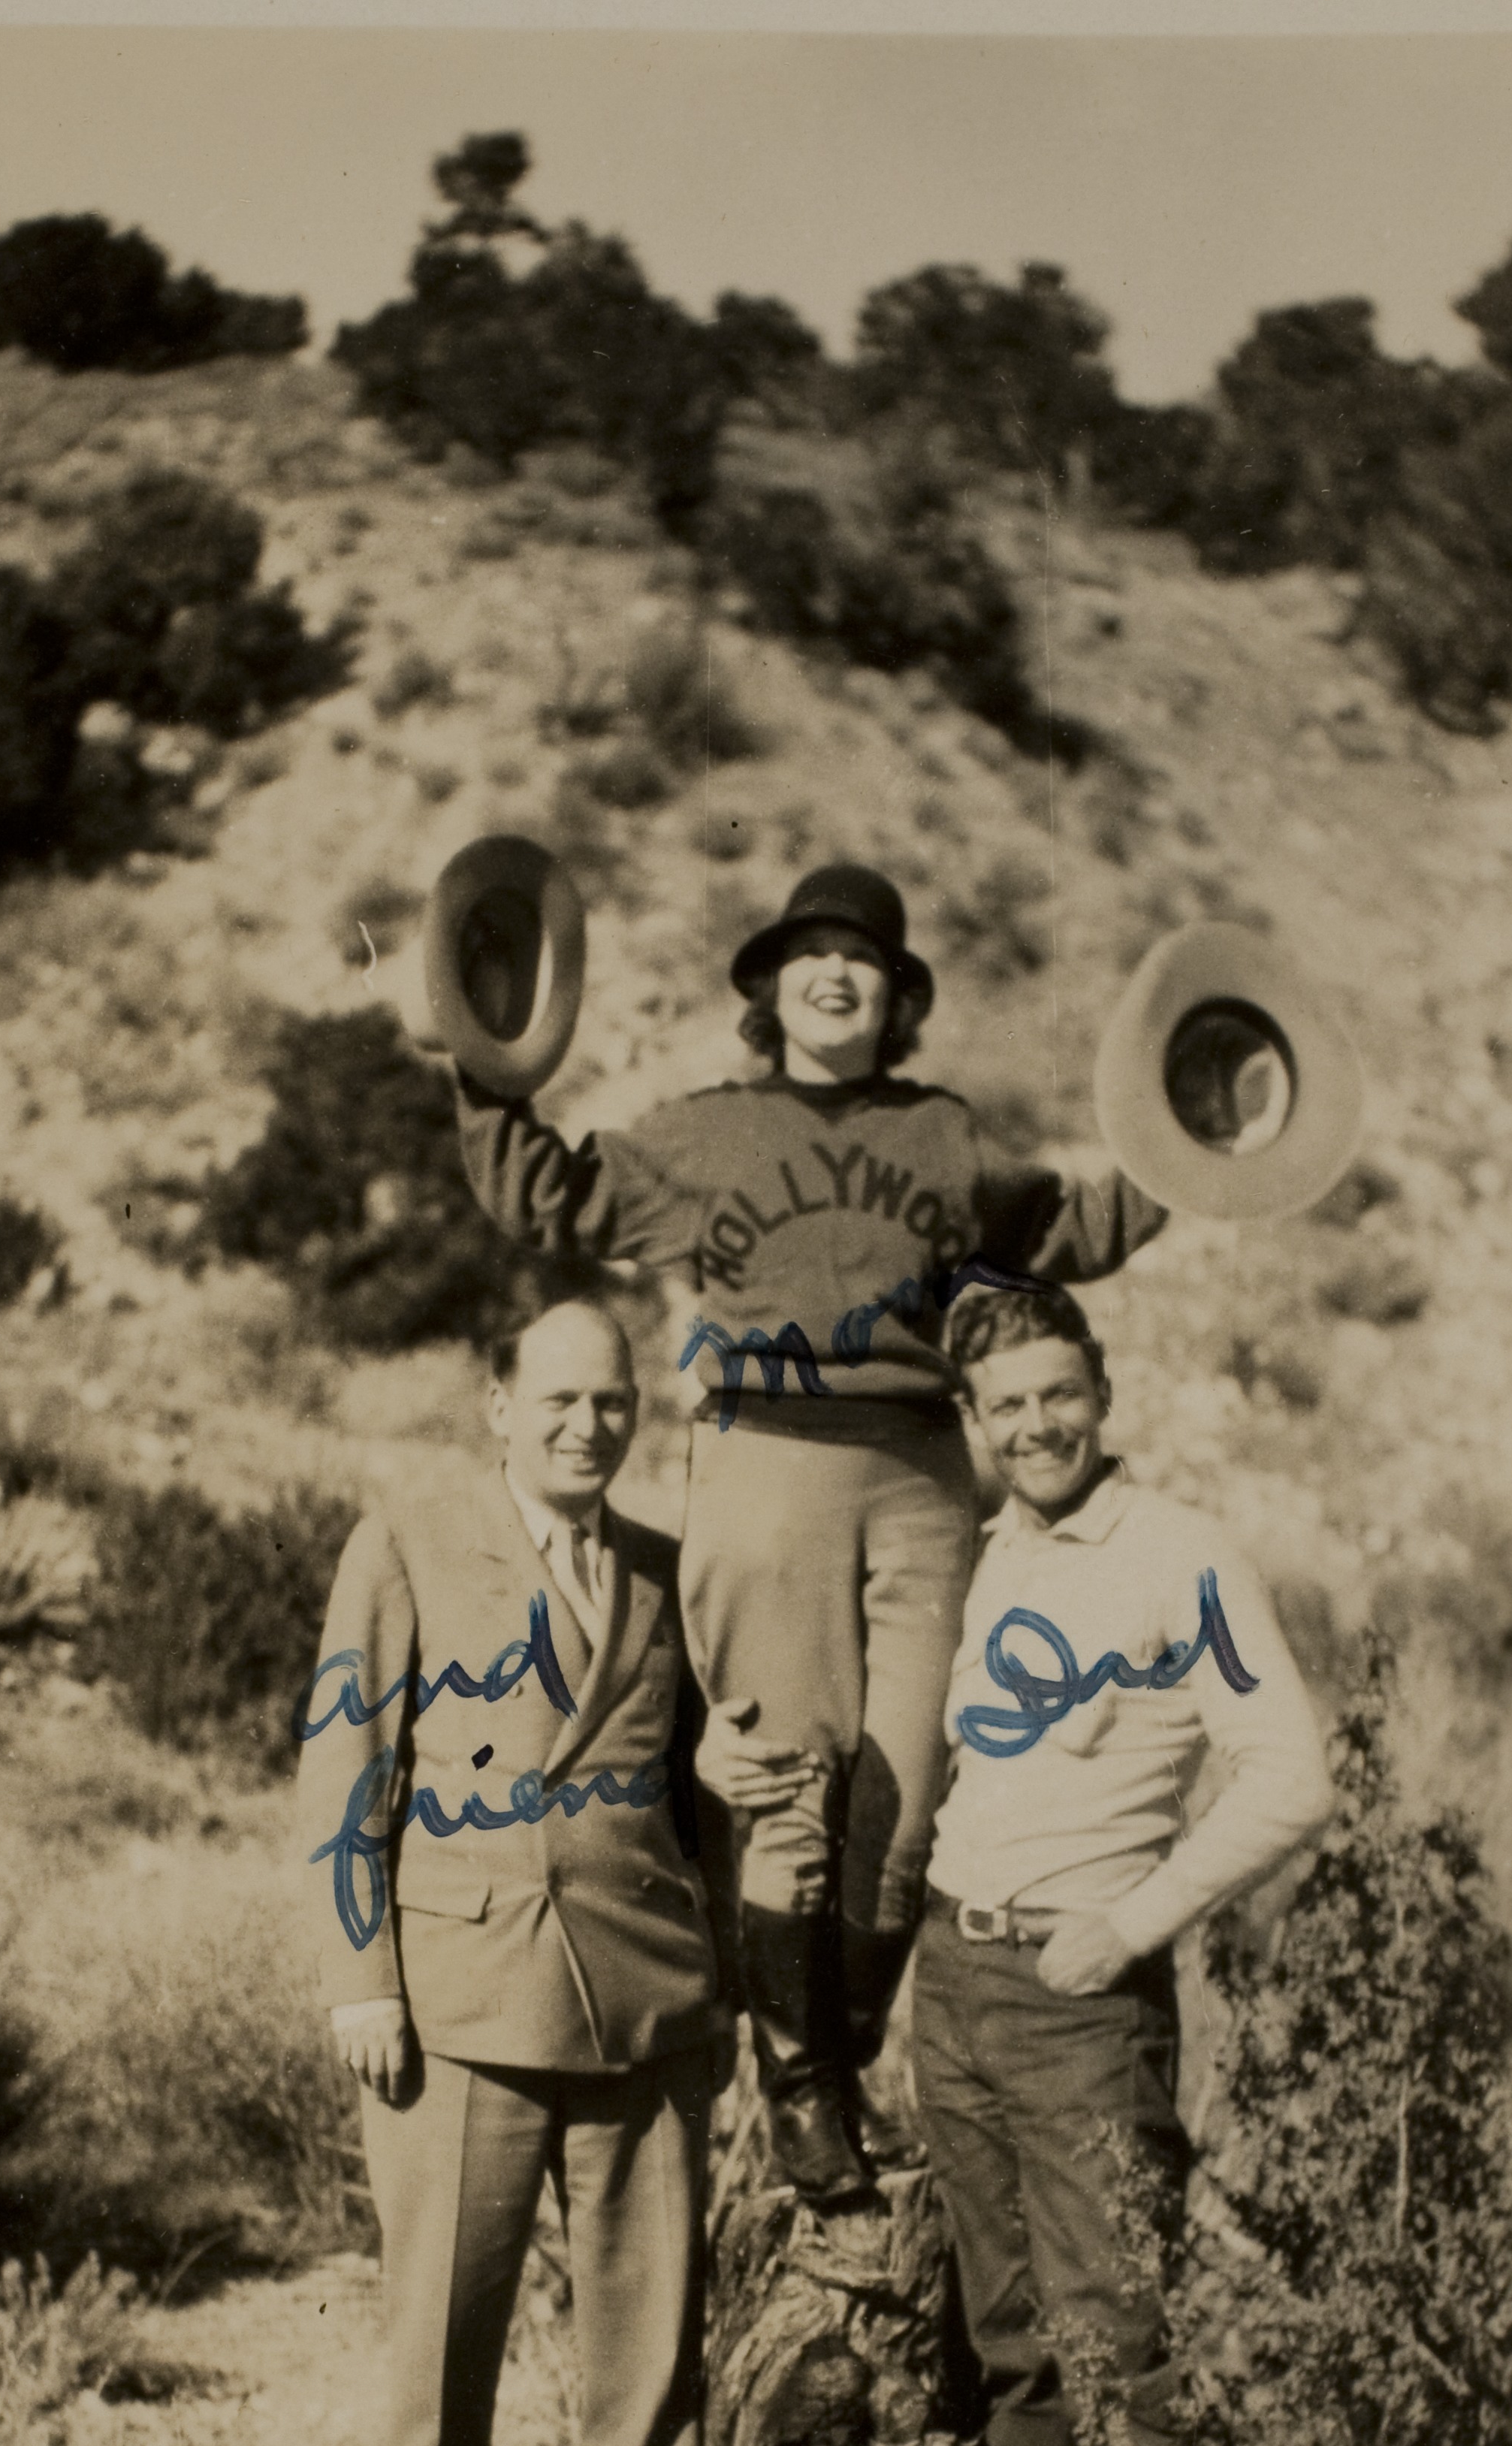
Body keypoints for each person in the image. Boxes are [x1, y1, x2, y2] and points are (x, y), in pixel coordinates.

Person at [453, 861, 1167, 2212]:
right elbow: (547, 1193)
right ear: (772, 987)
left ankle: (835, 2063)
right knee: (783, 1785)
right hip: (765, 1461)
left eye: (867, 962)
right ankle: (799, 2091)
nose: (838, 976)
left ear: (898, 1000)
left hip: (918, 1473)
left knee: (905, 1804)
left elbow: (1069, 1228)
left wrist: (1186, 1154)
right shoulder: (703, 1134)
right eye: (812, 955)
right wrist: (481, 1063)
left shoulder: (944, 1137)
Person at [297, 1285, 731, 2446]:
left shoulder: (666, 1572)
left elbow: (695, 1801)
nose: (587, 1425)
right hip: (462, 1992)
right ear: (499, 1408)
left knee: (649, 2323)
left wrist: (714, 1984)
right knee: (444, 2321)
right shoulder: (413, 1547)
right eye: (557, 1400)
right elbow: (346, 1769)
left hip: (644, 1998)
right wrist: (363, 1975)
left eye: (612, 1401)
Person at [911, 1276, 1335, 2446]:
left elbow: (1292, 1774)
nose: (1038, 1427)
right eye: (1008, 1406)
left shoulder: (1178, 1555)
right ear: (973, 1423)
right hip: (956, 1981)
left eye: (1060, 1395)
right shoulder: (981, 1558)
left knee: (1122, 2340)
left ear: (1103, 1393)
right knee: (1014, 2346)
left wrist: (1136, 1919)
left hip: (1079, 1994)